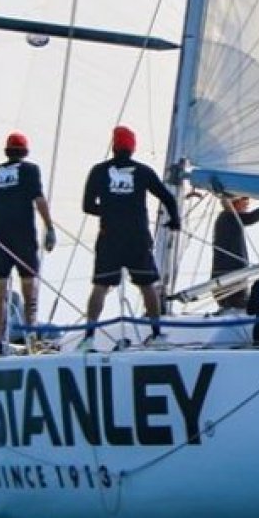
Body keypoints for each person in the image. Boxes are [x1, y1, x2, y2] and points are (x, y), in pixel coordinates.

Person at [81, 125, 180, 350]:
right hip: (137, 237)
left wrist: (108, 211)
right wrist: (175, 221)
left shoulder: (98, 171)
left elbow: (87, 206)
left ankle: (88, 338)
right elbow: (168, 198)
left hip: (109, 237)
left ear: (113, 146)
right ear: (132, 147)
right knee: (148, 285)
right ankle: (156, 335)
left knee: (100, 286)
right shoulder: (142, 171)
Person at [0, 131, 55, 355]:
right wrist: (49, 227)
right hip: (23, 234)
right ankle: (31, 335)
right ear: (24, 152)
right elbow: (38, 198)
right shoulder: (30, 170)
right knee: (28, 284)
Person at [211, 195, 259, 309]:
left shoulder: (227, 218)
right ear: (234, 202)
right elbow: (250, 218)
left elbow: (247, 218)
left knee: (235, 307)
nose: (248, 202)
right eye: (244, 199)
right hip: (229, 277)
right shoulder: (228, 217)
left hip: (229, 276)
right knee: (239, 308)